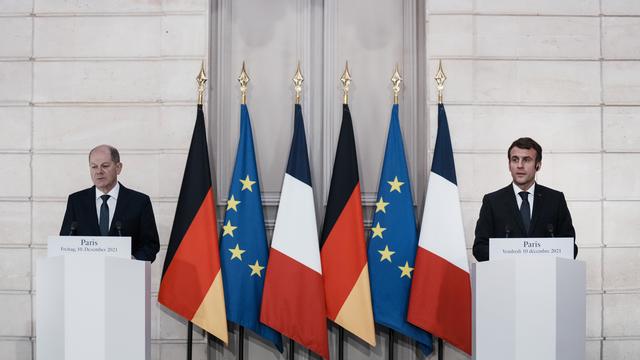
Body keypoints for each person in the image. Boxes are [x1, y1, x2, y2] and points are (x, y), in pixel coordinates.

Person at [473, 137, 577, 262]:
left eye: (526, 160)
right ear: (509, 165)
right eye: (515, 160)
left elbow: (570, 247)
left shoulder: (555, 199)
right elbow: (479, 248)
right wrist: (512, 257)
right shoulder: (492, 201)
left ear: (538, 165)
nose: (520, 166)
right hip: (506, 277)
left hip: (545, 277)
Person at [60, 144, 160, 262]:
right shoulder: (76, 201)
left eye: (105, 166)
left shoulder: (139, 202)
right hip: (86, 274)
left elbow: (150, 244)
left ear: (118, 168)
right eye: (94, 167)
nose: (99, 171)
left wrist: (135, 260)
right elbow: (65, 242)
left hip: (125, 274)